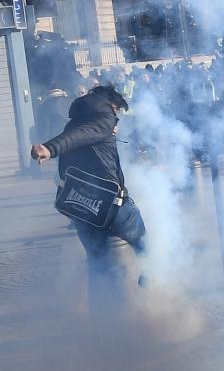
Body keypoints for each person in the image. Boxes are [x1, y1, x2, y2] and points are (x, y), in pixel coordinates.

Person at [31, 86, 148, 313]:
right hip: (112, 205)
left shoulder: (74, 121)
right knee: (147, 247)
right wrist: (49, 148)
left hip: (83, 209)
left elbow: (73, 141)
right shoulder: (103, 118)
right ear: (111, 106)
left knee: (98, 265)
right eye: (117, 114)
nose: (117, 122)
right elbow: (78, 137)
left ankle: (104, 322)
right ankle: (148, 282)